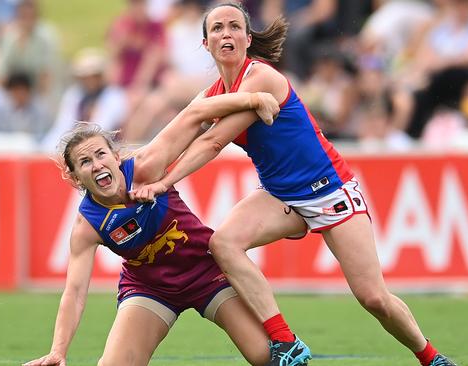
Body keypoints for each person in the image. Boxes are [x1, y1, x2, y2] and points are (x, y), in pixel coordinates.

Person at [130, 2, 458, 366]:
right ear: (205, 44)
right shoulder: (212, 95)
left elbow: (212, 142)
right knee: (223, 244)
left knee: (373, 298)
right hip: (279, 195)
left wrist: (164, 183)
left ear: (247, 38)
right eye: (218, 28)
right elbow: (175, 137)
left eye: (235, 27)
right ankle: (285, 341)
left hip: (330, 190)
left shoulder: (261, 77)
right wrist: (134, 169)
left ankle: (430, 357)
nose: (227, 34)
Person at [22, 89, 281, 366]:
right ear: (75, 178)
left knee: (267, 357)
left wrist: (252, 99)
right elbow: (74, 293)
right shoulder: (87, 226)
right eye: (85, 162)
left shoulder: (147, 166)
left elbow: (195, 113)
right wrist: (58, 351)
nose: (97, 165)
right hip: (151, 288)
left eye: (100, 154)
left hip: (207, 271)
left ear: (116, 156)